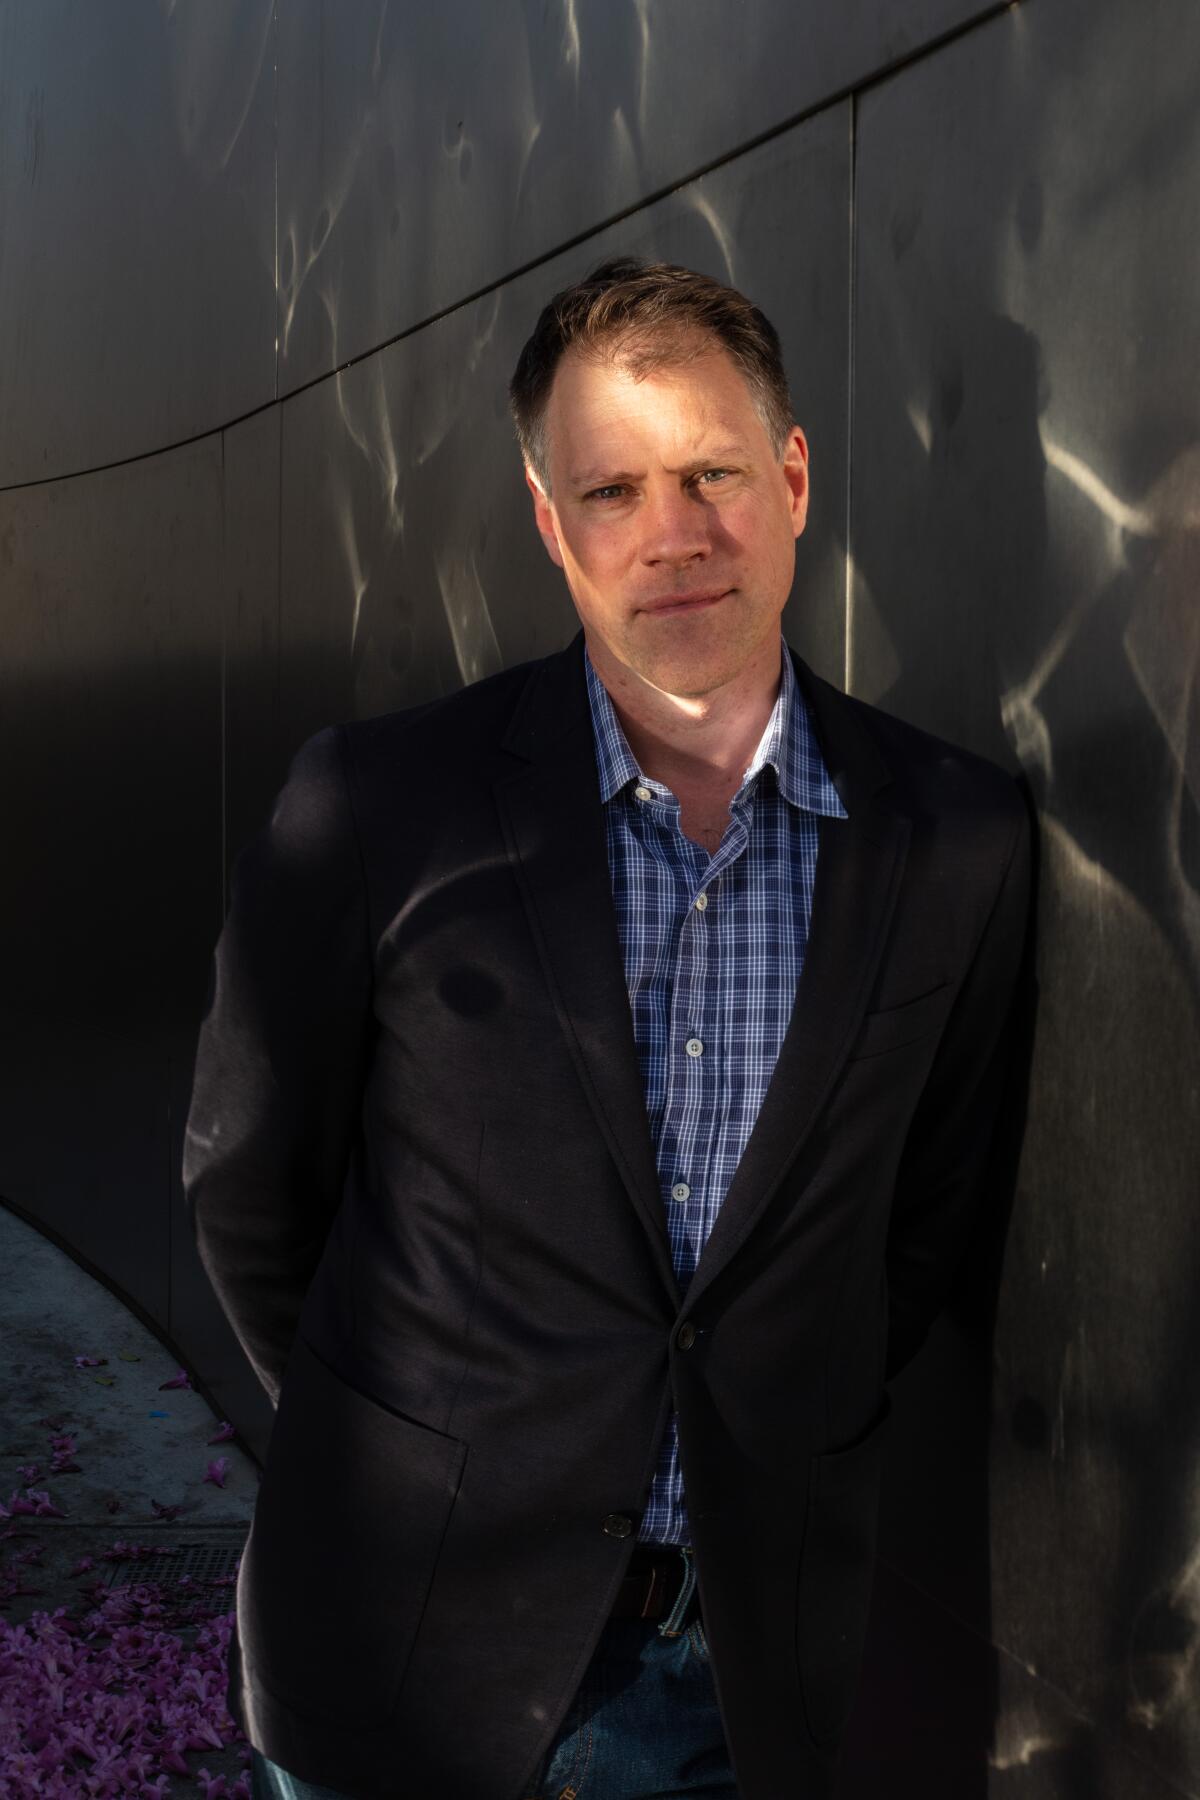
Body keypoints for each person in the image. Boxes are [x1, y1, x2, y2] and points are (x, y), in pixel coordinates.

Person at [183, 257, 1032, 1800]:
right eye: (614, 489)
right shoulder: (378, 807)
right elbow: (254, 1190)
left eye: (710, 473)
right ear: (548, 521)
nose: (673, 537)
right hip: (396, 1658)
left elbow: (920, 1241)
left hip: (740, 1680)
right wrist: (409, 1445)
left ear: (789, 479)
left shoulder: (957, 840)